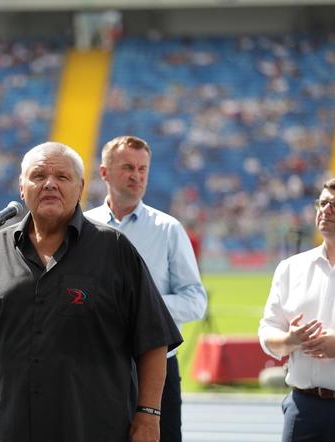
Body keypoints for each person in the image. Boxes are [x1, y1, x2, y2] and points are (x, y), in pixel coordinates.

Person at [0, 141, 183, 442]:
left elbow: (154, 340)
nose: (50, 184)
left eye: (62, 177)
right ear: (21, 187)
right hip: (4, 429)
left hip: (91, 429)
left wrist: (149, 415)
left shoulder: (115, 250)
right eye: (38, 176)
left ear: (80, 187)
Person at [85, 135, 207, 442]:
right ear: (104, 173)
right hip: (96, 366)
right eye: (127, 167)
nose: (136, 175)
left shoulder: (168, 229)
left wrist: (141, 309)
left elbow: (195, 301)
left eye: (143, 169)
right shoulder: (82, 228)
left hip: (157, 369)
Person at [258, 177, 335, 442]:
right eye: (323, 202)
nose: (326, 210)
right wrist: (290, 340)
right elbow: (268, 330)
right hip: (304, 407)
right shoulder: (291, 267)